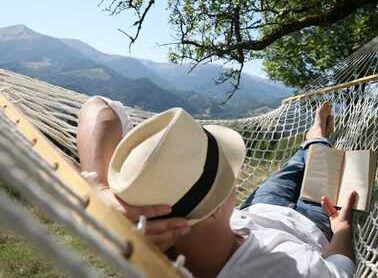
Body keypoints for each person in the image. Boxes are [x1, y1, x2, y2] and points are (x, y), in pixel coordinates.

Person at [77, 97, 356, 277]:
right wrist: (342, 229)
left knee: (294, 166)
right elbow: (339, 271)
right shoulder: (286, 272)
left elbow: (99, 107)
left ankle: (312, 140)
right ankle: (317, 139)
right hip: (313, 219)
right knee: (318, 165)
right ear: (213, 209)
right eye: (228, 174)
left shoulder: (154, 241)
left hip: (258, 210)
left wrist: (99, 189)